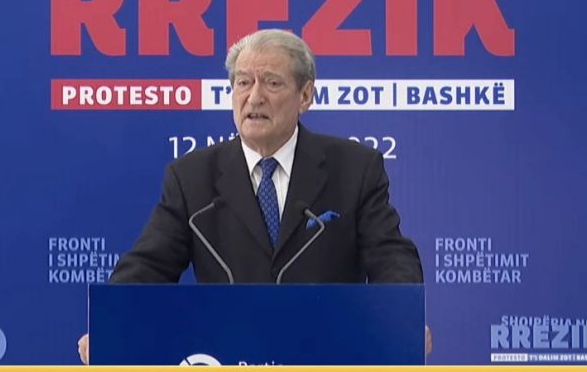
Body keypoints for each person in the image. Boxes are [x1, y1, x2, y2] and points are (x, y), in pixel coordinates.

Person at [77, 29, 426, 364]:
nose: (254, 97)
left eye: (272, 83)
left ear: (305, 96)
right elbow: (149, 266)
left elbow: (390, 255)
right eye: (243, 82)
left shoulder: (354, 168)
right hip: (226, 353)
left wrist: (403, 319)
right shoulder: (192, 177)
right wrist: (112, 323)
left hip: (326, 351)